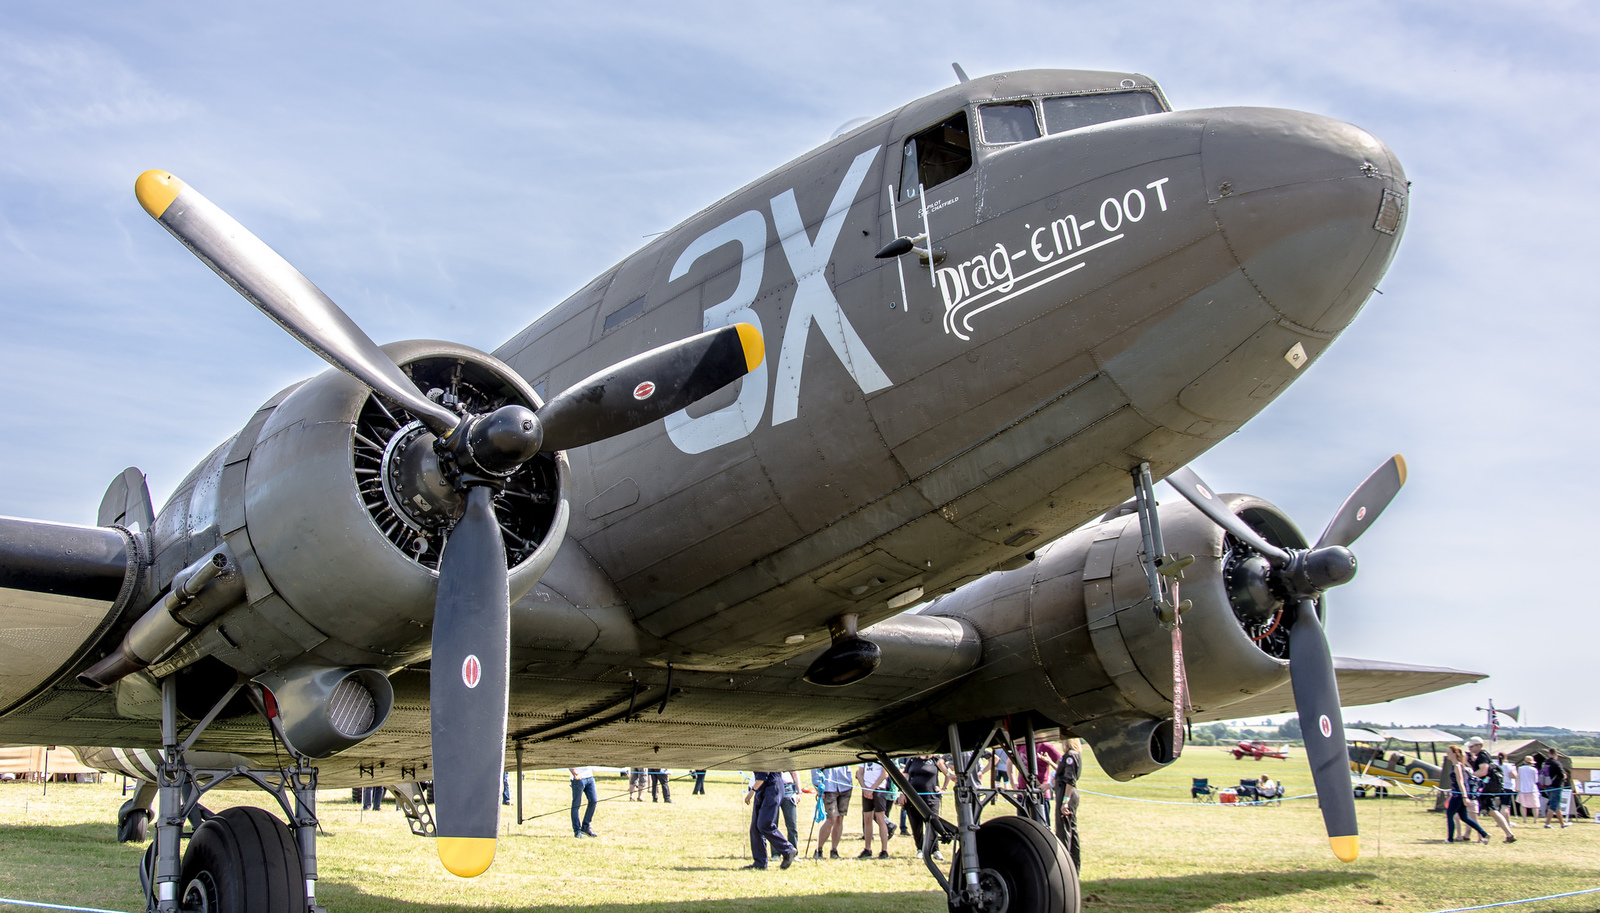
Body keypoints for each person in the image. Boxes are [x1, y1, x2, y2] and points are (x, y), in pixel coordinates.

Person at [744, 771, 798, 870]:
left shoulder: (762, 756)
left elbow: (762, 776)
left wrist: (751, 791)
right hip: (762, 788)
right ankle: (760, 862)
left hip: (772, 788)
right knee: (755, 827)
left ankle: (788, 850)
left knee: (764, 824)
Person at [902, 754, 951, 860]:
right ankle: (920, 849)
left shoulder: (936, 760)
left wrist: (944, 788)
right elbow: (904, 777)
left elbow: (949, 774)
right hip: (913, 798)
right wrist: (902, 793)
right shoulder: (912, 759)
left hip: (931, 798)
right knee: (916, 824)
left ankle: (935, 850)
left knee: (933, 823)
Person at [1467, 737, 1515, 842]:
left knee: (1473, 810)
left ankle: (1479, 836)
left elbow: (1483, 771)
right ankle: (1509, 834)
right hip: (1488, 786)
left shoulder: (1482, 756)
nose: (1469, 748)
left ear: (1478, 746)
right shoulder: (1482, 755)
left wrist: (1469, 776)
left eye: (1472, 746)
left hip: (1485, 787)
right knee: (1491, 811)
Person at [1442, 745, 1489, 844]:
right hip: (1458, 794)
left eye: (1449, 753)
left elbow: (1461, 782)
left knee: (1450, 814)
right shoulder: (1458, 765)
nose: (1447, 755)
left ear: (1455, 754)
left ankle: (1450, 839)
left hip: (1458, 796)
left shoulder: (1457, 766)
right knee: (1464, 817)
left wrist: (1464, 797)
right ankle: (1484, 834)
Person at [1052, 739, 1083, 870]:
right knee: (1071, 829)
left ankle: (1065, 868)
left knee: (1064, 831)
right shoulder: (1072, 755)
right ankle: (1073, 868)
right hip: (1065, 793)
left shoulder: (1071, 756)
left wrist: (1065, 801)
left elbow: (1070, 780)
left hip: (1066, 795)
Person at [816, 764, 853, 858]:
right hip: (828, 787)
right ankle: (819, 849)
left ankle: (834, 850)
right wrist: (818, 787)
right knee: (832, 819)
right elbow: (815, 769)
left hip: (844, 785)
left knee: (840, 819)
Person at [858, 760, 891, 858]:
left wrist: (872, 789)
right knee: (867, 819)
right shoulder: (864, 757)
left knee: (880, 819)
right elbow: (859, 773)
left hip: (879, 789)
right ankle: (867, 848)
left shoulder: (880, 756)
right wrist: (864, 788)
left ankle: (884, 850)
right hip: (866, 790)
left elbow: (884, 774)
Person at [570, 766, 599, 838]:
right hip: (578, 778)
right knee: (576, 805)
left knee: (593, 801)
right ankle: (577, 830)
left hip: (590, 777)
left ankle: (585, 827)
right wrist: (574, 773)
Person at [1544, 749, 1570, 828]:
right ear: (1556, 754)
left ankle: (1562, 824)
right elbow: (1562, 776)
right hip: (1556, 786)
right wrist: (1565, 776)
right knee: (1553, 805)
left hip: (1547, 786)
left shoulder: (1545, 763)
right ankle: (1547, 824)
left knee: (1557, 806)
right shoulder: (1556, 763)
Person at [779, 771, 800, 848]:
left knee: (792, 824)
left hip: (788, 789)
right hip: (773, 787)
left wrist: (799, 791)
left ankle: (793, 851)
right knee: (772, 824)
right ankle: (775, 853)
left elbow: (795, 773)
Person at [1518, 755, 1541, 821]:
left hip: (1523, 788)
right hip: (1532, 789)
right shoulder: (1534, 770)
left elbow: (1519, 778)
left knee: (1523, 805)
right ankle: (1535, 819)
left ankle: (1524, 819)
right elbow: (1536, 780)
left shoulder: (1520, 768)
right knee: (1535, 805)